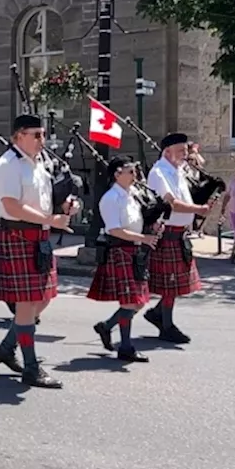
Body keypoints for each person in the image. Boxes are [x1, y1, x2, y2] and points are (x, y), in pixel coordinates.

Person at [0, 114, 71, 388]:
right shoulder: (8, 165)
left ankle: (7, 348)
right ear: (18, 136)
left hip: (39, 237)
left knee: (41, 300)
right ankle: (31, 368)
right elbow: (10, 206)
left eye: (43, 134)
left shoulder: (39, 164)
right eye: (36, 135)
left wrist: (64, 208)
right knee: (26, 303)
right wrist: (50, 220)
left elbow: (41, 200)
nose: (41, 140)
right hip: (18, 235)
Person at [88, 156, 157, 363]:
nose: (135, 174)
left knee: (138, 303)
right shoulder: (111, 198)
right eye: (130, 171)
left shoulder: (134, 194)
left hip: (136, 252)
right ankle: (125, 347)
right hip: (120, 251)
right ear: (117, 174)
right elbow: (115, 230)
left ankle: (107, 326)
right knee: (130, 302)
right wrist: (143, 238)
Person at [142, 132, 209, 344]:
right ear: (167, 151)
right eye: (181, 150)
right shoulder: (159, 173)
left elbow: (188, 196)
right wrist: (199, 209)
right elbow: (171, 203)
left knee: (175, 285)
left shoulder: (179, 170)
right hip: (166, 233)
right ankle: (166, 325)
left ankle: (159, 315)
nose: (185, 154)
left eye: (186, 150)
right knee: (169, 284)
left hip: (180, 234)